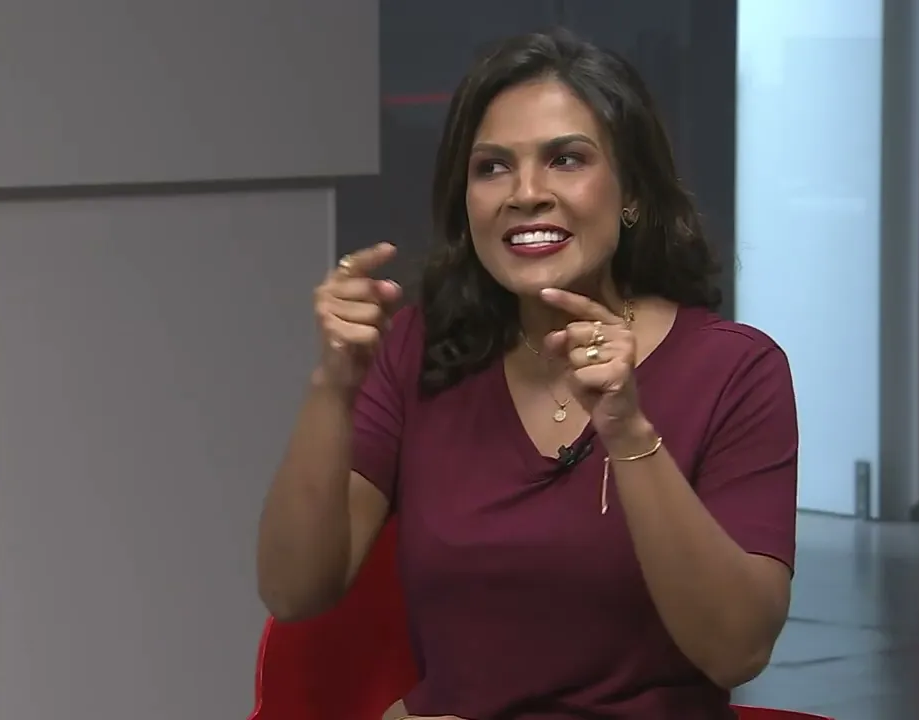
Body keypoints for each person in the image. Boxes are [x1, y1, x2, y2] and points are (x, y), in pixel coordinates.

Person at [256, 28, 799, 720]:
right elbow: (295, 591)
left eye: (566, 159)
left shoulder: (735, 370)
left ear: (632, 192)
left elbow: (737, 649)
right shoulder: (421, 348)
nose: (527, 193)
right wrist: (332, 386)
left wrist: (628, 431)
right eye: (492, 168)